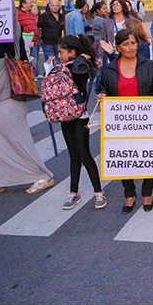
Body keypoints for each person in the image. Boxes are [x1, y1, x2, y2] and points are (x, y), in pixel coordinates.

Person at [0, 19, 55, 200]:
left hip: (10, 102)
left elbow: (14, 27)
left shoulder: (11, 46)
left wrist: (7, 8)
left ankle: (42, 176)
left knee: (18, 141)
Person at [97, 29, 153, 214]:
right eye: (125, 44)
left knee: (147, 156)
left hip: (145, 122)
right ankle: (129, 194)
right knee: (124, 159)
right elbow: (103, 88)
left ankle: (147, 193)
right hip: (120, 124)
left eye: (133, 43)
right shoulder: (110, 68)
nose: (130, 47)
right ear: (118, 47)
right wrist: (102, 95)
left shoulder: (148, 65)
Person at [54, 34, 107, 210]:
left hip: (79, 116)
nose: (59, 55)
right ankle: (73, 191)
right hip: (66, 115)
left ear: (72, 52)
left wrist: (77, 60)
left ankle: (98, 192)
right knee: (73, 155)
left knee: (84, 154)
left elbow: (79, 74)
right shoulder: (69, 64)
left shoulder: (81, 65)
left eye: (61, 52)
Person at [16, 0, 42, 78]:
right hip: (24, 42)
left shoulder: (30, 14)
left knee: (33, 59)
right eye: (29, 3)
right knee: (25, 60)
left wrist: (34, 40)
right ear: (23, 4)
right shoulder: (17, 14)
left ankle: (32, 75)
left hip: (33, 41)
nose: (30, 5)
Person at [37, 0, 65, 66]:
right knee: (50, 62)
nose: (55, 7)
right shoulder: (44, 16)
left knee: (58, 62)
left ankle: (57, 73)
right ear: (49, 6)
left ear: (59, 7)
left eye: (57, 6)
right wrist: (39, 37)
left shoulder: (61, 16)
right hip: (47, 42)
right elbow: (38, 26)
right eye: (53, 6)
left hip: (58, 42)